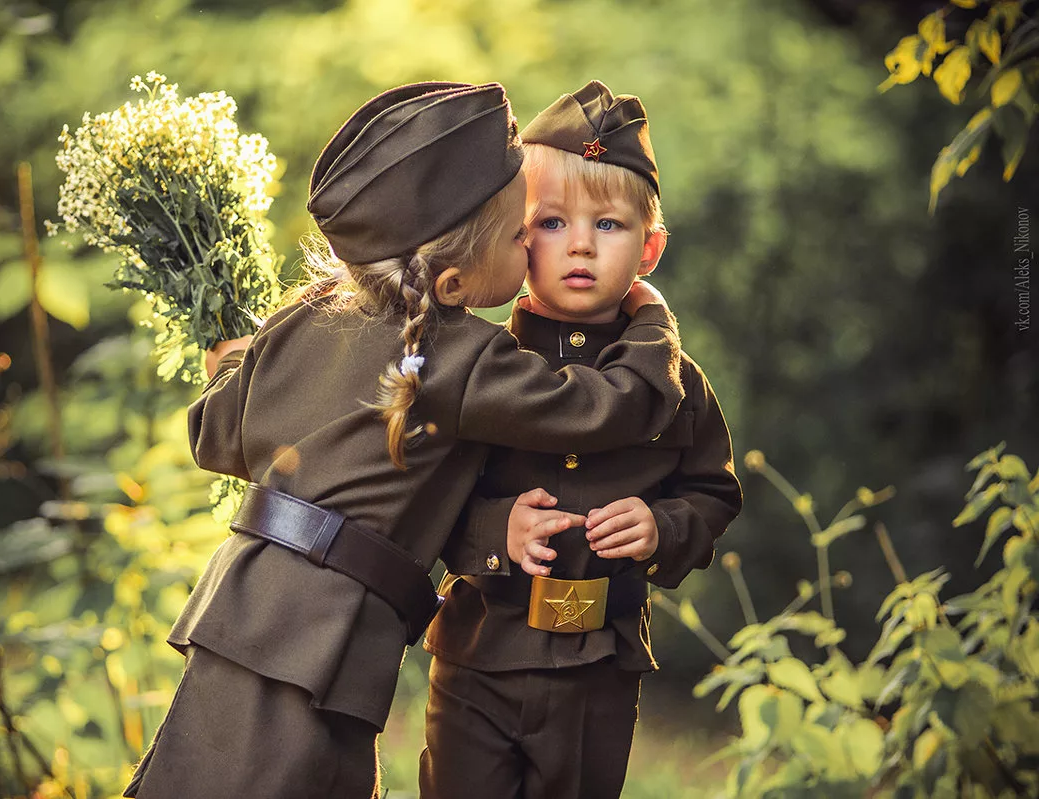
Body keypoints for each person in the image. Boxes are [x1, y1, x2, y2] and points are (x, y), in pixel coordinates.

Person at [123, 81, 687, 799]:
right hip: (321, 635)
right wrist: (652, 317)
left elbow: (214, 436)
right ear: (454, 281)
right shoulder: (459, 356)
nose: (532, 248)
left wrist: (239, 363)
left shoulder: (309, 310)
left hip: (245, 609)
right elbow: (607, 409)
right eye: (523, 234)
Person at [419, 80, 744, 799]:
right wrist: (492, 528)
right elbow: (422, 492)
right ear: (516, 236)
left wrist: (661, 526)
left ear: (649, 248)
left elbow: (715, 490)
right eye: (553, 221)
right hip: (481, 655)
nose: (579, 247)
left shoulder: (676, 382)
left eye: (607, 226)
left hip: (602, 666)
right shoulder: (480, 367)